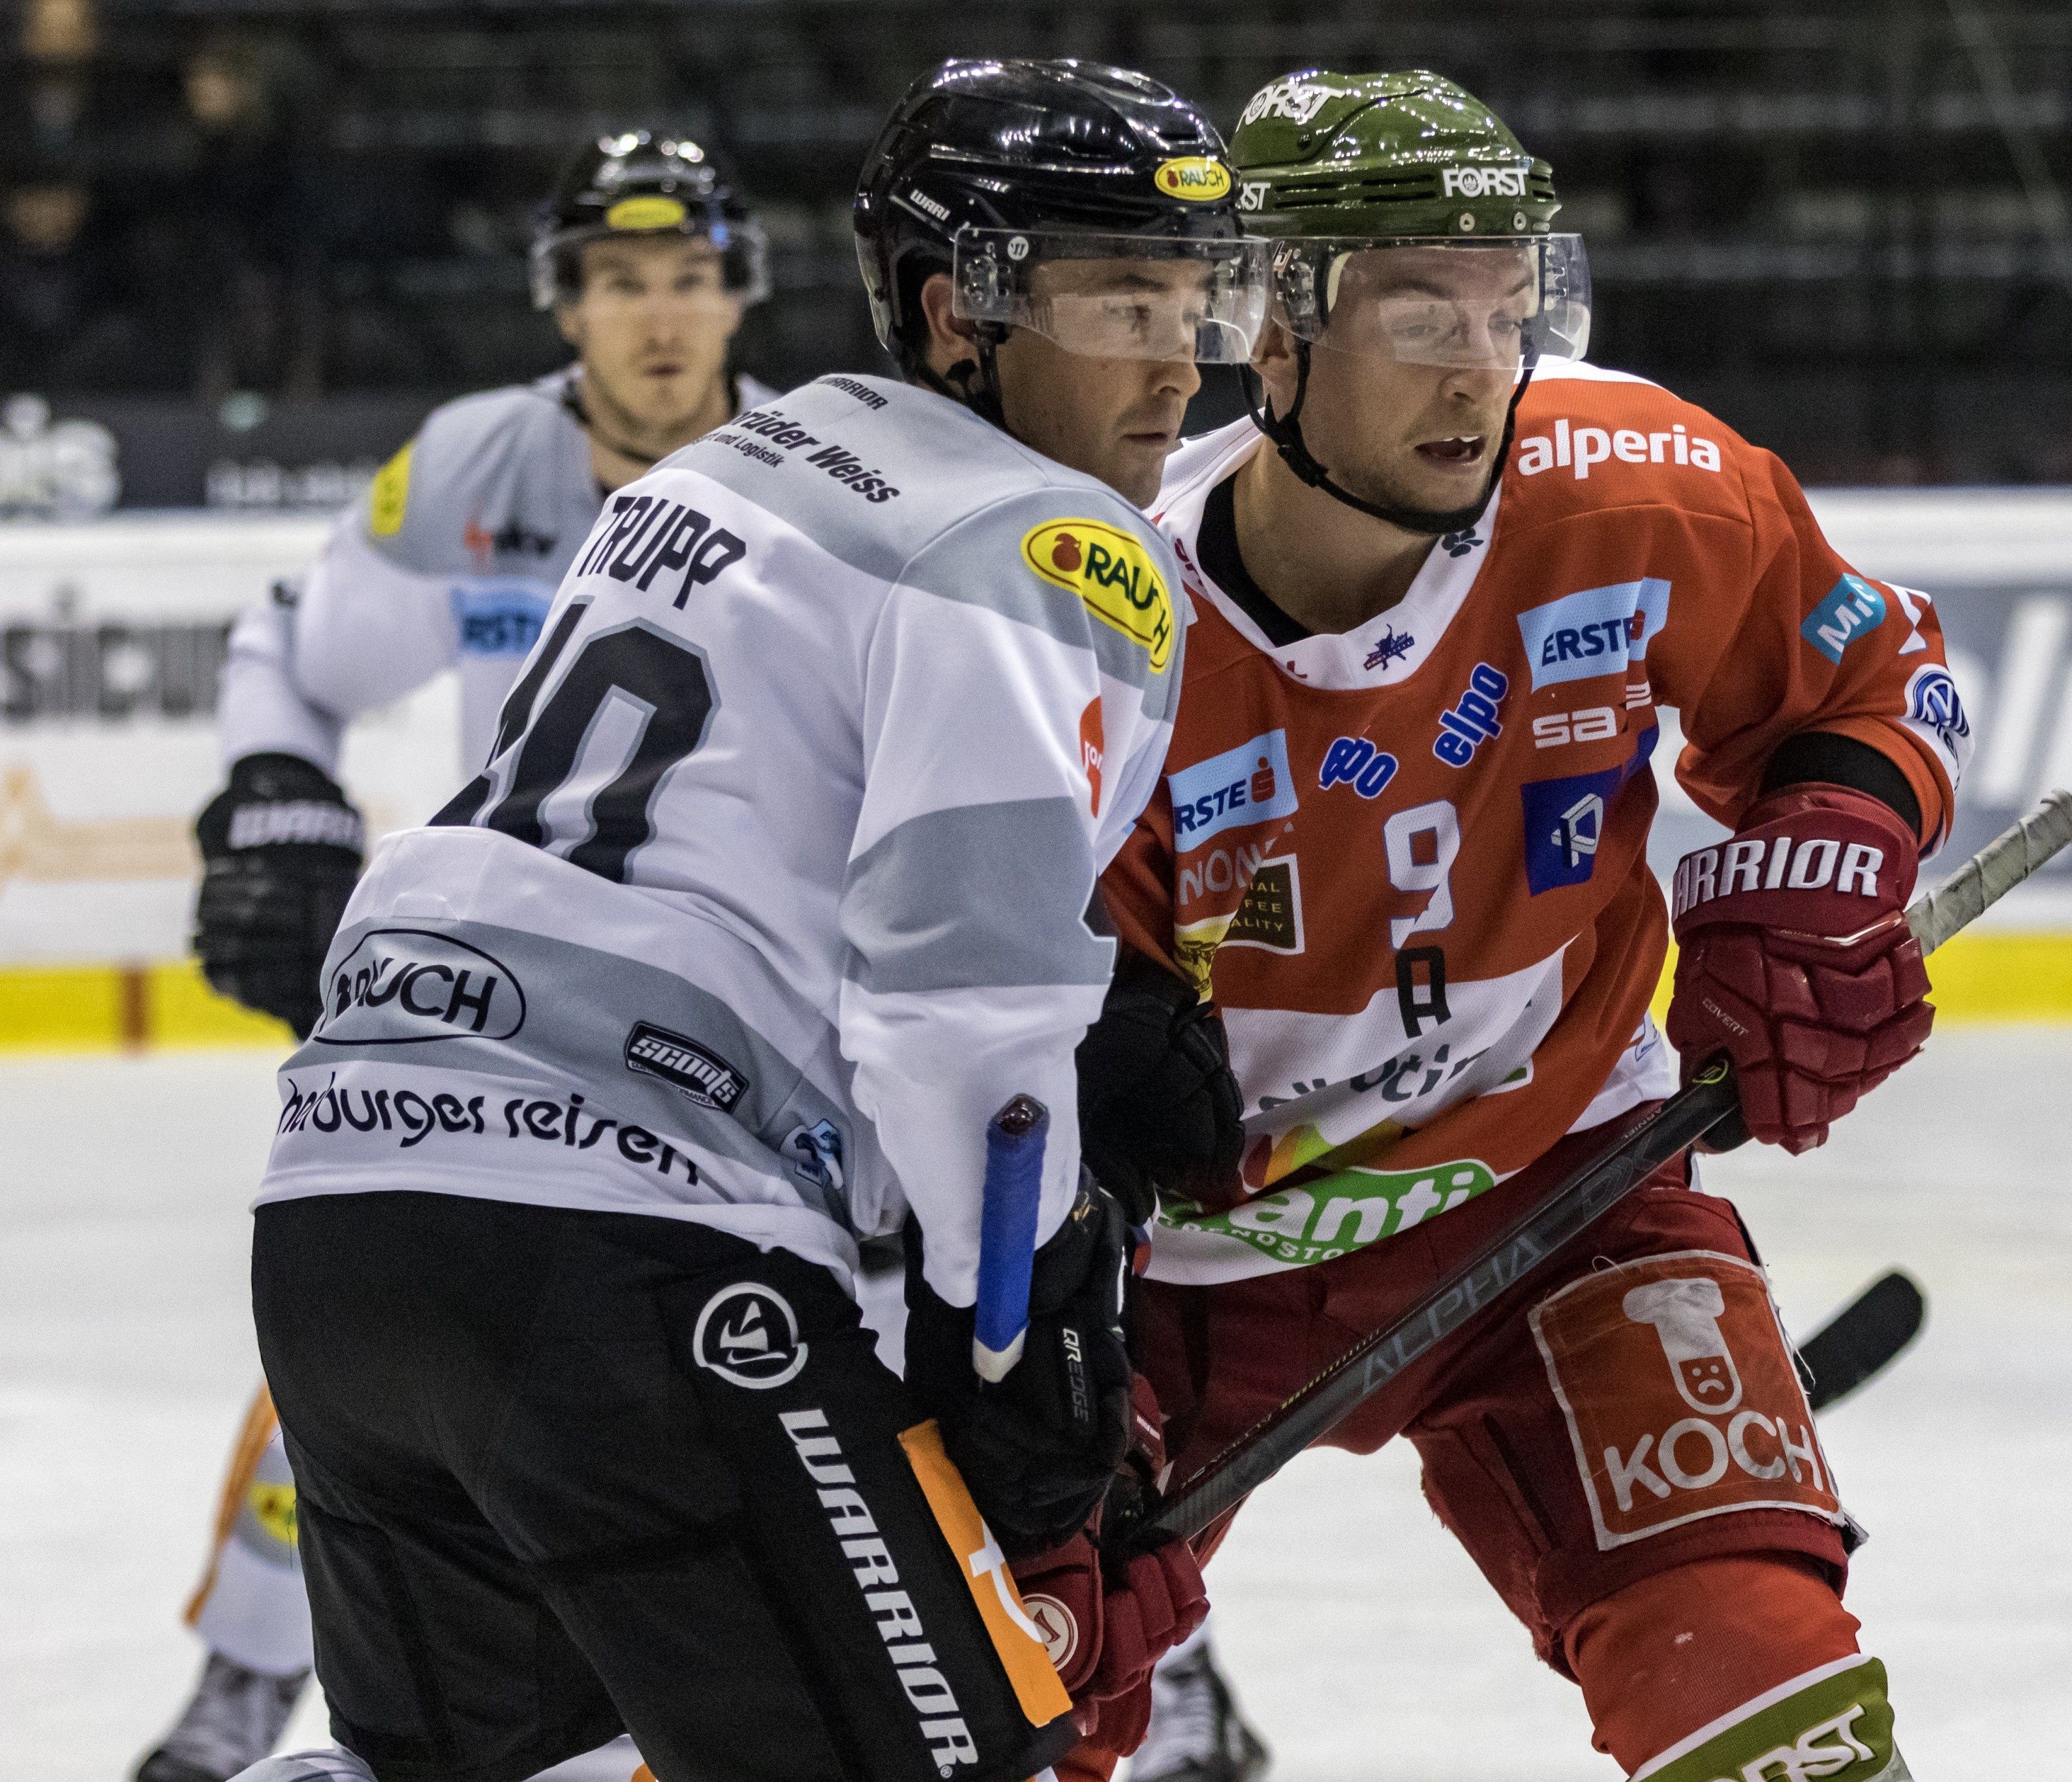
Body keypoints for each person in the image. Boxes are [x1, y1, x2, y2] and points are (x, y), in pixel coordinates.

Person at [230, 57, 1257, 1782]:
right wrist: (1011, 1331)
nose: (1177, 360)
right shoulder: (1049, 541)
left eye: (1193, 300)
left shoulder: (725, 468)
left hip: (344, 1203)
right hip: (616, 1254)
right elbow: (960, 1004)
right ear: (955, 311)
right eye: (1116, 299)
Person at [1071, 70, 1964, 1782]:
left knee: (1763, 1685)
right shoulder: (1090, 620)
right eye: (1419, 313)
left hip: (1556, 1186)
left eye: (1510, 304)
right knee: (936, 1711)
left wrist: (1837, 844)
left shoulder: (1638, 488)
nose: (1482, 364)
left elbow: (1864, 679)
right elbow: (943, 1017)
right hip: (1142, 1282)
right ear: (1272, 332)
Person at [144, 129, 777, 1782]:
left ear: (737, 296)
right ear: (565, 302)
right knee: (384, 1358)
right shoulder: (476, 468)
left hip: (728, 1013)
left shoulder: (805, 476)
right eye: (621, 281)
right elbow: (293, 644)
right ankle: (245, 1676)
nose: (658, 318)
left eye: (690, 279)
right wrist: (278, 795)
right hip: (495, 1002)